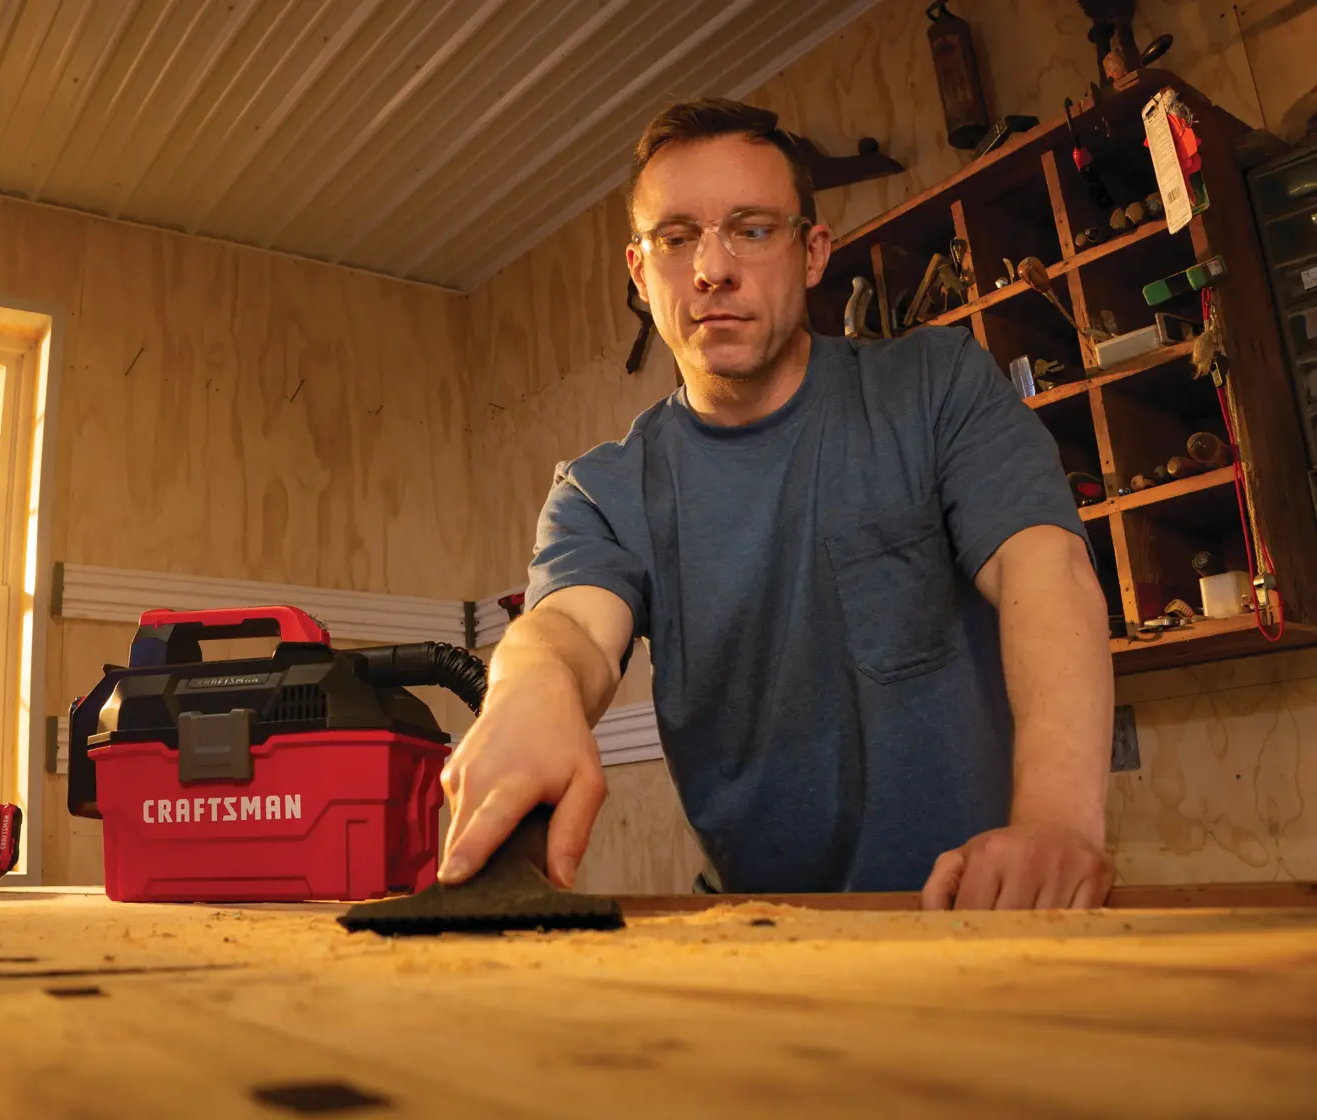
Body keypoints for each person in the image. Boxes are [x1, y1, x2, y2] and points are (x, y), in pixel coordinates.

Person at [438, 98, 1116, 910]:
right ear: (638, 272)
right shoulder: (603, 490)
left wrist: (1057, 823)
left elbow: (1047, 570)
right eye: (677, 237)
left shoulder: (936, 388)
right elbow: (572, 629)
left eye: (752, 229)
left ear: (813, 252)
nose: (712, 268)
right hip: (763, 935)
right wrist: (529, 688)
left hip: (988, 912)